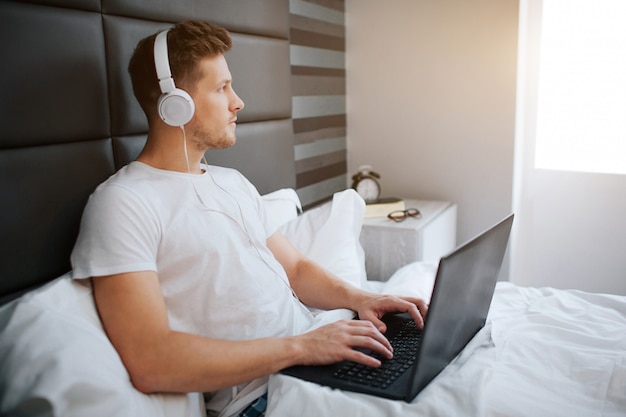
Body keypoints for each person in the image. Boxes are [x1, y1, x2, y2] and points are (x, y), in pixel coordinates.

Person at [70, 20, 428, 417]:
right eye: (221, 88)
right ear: (175, 102)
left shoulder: (232, 182)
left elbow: (295, 269)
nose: (237, 101)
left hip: (317, 360)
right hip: (264, 396)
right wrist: (303, 347)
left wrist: (363, 299)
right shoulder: (123, 203)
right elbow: (151, 361)